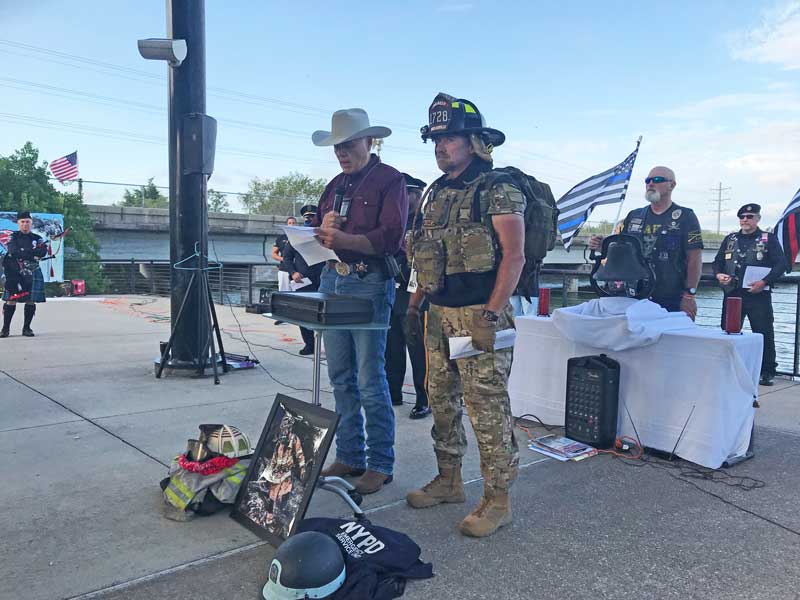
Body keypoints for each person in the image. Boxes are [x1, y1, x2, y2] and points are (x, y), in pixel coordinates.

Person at [405, 93, 525, 538]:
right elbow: (428, 251)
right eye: (436, 138)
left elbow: (514, 256)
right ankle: (449, 480)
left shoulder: (498, 188)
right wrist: (417, 302)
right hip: (438, 315)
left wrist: (491, 315)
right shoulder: (435, 193)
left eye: (450, 137)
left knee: (485, 407)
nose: (441, 146)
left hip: (478, 316)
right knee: (440, 399)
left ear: (474, 142)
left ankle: (498, 499)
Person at [311, 108, 408, 495]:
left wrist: (343, 240)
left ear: (370, 142)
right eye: (338, 146)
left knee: (370, 379)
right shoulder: (335, 185)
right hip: (336, 280)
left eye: (349, 144)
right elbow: (323, 233)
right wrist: (320, 233)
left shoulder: (391, 181)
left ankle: (380, 463)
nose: (342, 152)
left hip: (369, 284)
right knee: (340, 377)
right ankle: (350, 455)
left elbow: (391, 238)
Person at [589, 166, 703, 319]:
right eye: (647, 180)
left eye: (657, 180)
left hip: (670, 297)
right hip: (635, 296)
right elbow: (620, 250)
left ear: (672, 185)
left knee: (672, 341)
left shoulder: (686, 217)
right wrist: (603, 244)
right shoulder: (635, 216)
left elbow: (694, 259)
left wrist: (690, 296)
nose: (650, 184)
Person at [712, 203, 787, 386]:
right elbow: (717, 262)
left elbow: (781, 265)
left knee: (763, 333)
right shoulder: (730, 239)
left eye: (750, 217)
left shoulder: (768, 239)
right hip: (732, 294)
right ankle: (729, 368)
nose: (745, 220)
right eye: (742, 217)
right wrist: (718, 274)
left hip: (757, 295)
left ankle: (767, 371)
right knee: (729, 333)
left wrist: (764, 282)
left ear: (758, 219)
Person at [385, 173, 431, 418]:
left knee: (418, 351)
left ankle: (425, 399)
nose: (400, 199)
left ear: (417, 196)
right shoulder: (395, 222)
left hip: (417, 295)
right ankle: (394, 392)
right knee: (392, 349)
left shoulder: (426, 223)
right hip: (393, 294)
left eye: (406, 195)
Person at [281, 205, 322, 355]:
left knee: (323, 313)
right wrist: (293, 272)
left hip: (322, 279)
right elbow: (287, 257)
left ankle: (324, 344)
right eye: (307, 218)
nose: (309, 220)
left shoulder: (323, 234)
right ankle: (309, 344)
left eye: (312, 217)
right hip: (303, 280)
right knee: (304, 313)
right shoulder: (296, 237)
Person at [2, 211, 49, 338]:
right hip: (15, 271)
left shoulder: (37, 238)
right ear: (18, 223)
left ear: (31, 223)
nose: (25, 224)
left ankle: (27, 328)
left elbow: (42, 252)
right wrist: (31, 253)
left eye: (27, 221)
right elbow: (13, 251)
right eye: (22, 222)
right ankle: (5, 329)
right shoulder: (13, 236)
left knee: (31, 300)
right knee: (11, 300)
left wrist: (23, 251)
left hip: (33, 270)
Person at [271, 216, 297, 325]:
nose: (292, 224)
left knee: (297, 294)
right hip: (284, 270)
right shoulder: (281, 238)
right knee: (283, 293)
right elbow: (273, 254)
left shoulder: (300, 237)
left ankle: (296, 316)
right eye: (290, 223)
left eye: (293, 223)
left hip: (297, 270)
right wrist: (285, 260)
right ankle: (282, 316)